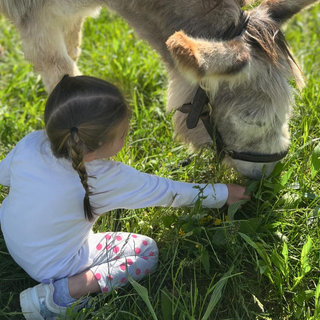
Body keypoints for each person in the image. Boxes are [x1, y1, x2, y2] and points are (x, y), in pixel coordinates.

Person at [0, 75, 250, 320]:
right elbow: (169, 192)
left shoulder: (31, 142)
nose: (127, 133)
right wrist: (224, 193)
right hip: (52, 267)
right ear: (92, 151)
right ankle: (59, 295)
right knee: (147, 253)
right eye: (122, 135)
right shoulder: (104, 178)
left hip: (13, 238)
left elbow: (4, 177)